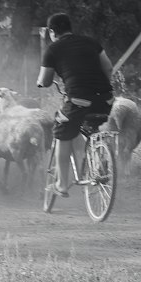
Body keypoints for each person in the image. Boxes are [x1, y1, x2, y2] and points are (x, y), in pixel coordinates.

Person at [36, 11, 115, 195]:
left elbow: (45, 81)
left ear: (52, 31)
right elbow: (109, 68)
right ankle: (100, 162)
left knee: (61, 132)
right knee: (92, 126)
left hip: (79, 100)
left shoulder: (53, 49)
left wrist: (40, 83)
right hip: (106, 99)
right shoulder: (91, 42)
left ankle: (62, 185)